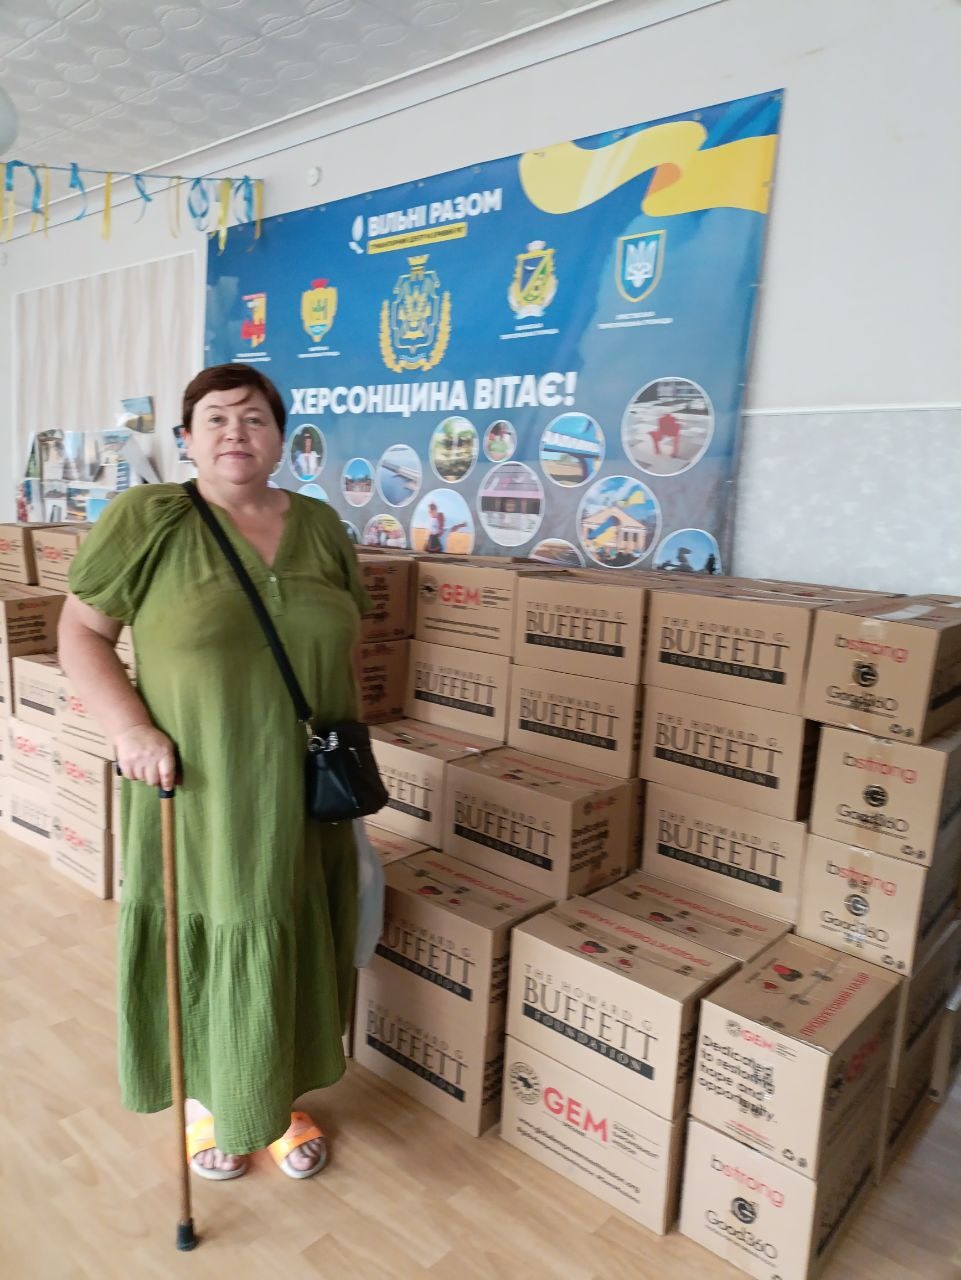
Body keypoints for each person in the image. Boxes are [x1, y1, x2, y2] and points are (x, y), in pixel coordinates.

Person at [58, 362, 370, 1182]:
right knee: (220, 925)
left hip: (307, 791)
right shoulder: (149, 519)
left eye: (256, 418)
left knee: (295, 924)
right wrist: (129, 726)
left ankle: (276, 1096)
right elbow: (79, 634)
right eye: (218, 418)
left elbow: (347, 637)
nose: (237, 432)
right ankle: (211, 1102)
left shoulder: (321, 525)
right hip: (204, 786)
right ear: (188, 438)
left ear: (282, 438)